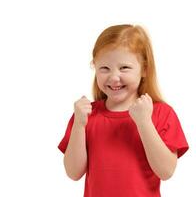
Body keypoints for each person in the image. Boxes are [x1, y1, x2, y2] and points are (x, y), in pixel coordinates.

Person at [58, 24, 189, 197]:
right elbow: (73, 173)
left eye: (124, 68)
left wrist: (144, 122)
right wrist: (79, 125)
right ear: (95, 67)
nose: (114, 77)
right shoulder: (86, 115)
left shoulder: (161, 113)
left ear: (144, 68)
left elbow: (166, 171)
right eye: (104, 68)